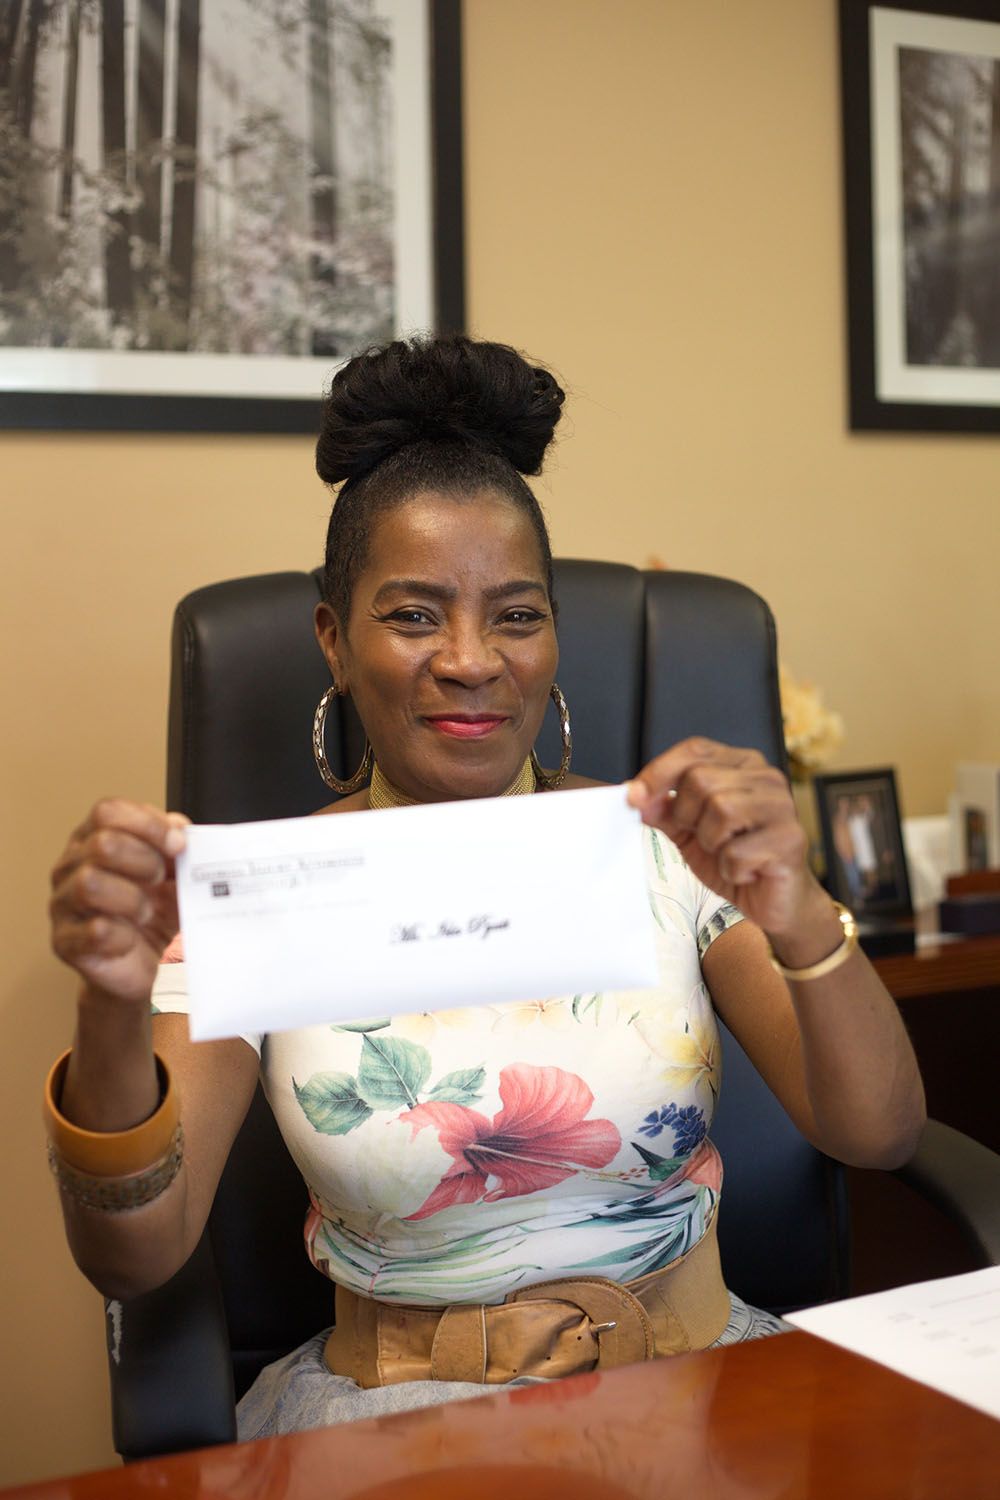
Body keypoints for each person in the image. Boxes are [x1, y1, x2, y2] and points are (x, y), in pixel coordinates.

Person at [46, 335, 926, 1439]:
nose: (471, 658)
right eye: (414, 614)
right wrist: (110, 1003)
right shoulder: (263, 893)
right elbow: (137, 1250)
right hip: (394, 1421)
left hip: (699, 1382)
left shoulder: (661, 852)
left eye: (516, 614)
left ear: (553, 636)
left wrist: (796, 906)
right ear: (332, 636)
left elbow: (879, 1133)